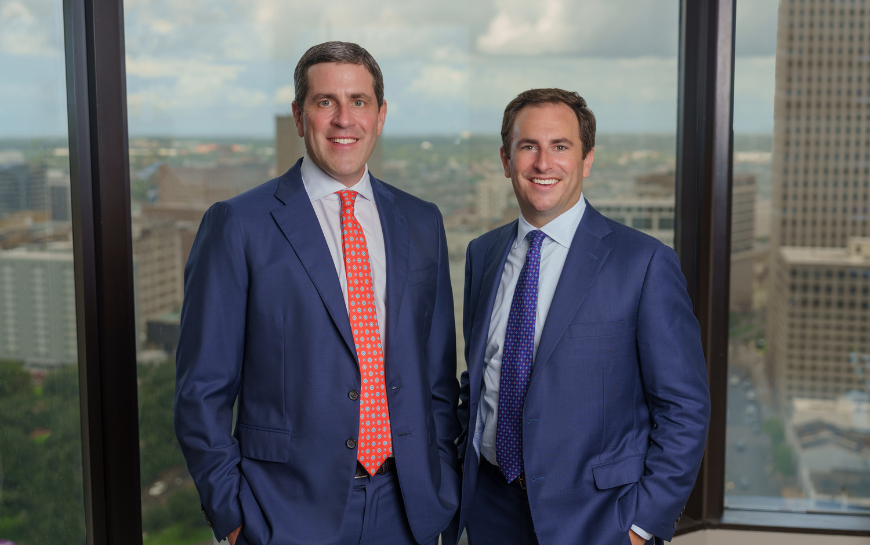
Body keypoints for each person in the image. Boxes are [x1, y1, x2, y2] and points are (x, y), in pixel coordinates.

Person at [175, 41, 461, 545]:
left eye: (359, 101)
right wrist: (234, 515)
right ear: (298, 115)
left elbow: (435, 376)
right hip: (283, 512)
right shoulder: (239, 224)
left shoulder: (421, 220)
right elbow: (203, 390)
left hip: (407, 508)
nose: (343, 119)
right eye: (325, 101)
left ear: (381, 114)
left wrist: (439, 486)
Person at [455, 88, 711, 545]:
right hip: (490, 508)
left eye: (560, 147)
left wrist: (639, 525)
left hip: (597, 520)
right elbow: (481, 379)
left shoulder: (643, 263)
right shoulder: (483, 255)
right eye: (528, 146)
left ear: (587, 159)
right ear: (505, 157)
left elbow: (684, 409)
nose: (542, 163)